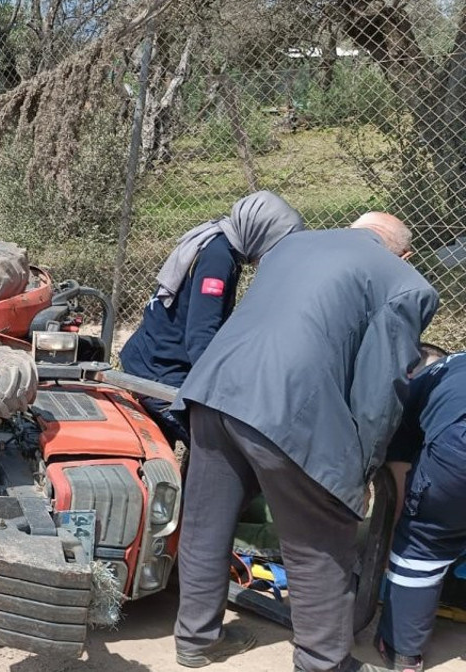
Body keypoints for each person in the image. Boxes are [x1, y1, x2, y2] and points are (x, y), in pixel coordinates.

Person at [167, 211, 439, 672]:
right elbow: (378, 392)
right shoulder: (406, 282)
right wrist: (363, 470)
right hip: (287, 405)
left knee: (205, 523)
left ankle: (195, 639)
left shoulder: (293, 245)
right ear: (405, 253)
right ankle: (322, 661)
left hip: (212, 389)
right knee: (322, 539)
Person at [119, 189, 304, 446]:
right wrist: (228, 391)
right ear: (262, 234)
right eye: (277, 244)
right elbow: (200, 336)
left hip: (151, 359)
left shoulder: (220, 242)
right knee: (222, 448)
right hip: (160, 372)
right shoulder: (218, 259)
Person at [371, 343, 463, 672]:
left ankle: (402, 650)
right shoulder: (458, 366)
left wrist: (398, 533)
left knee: (425, 540)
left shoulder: (413, 391)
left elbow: (398, 481)